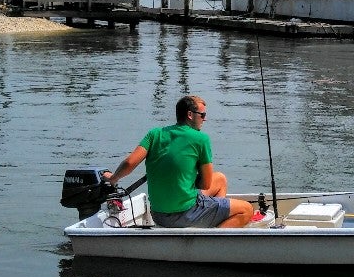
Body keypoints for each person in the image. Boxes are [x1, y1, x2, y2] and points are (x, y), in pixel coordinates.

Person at [102, 95, 254, 228]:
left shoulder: (154, 134)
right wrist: (187, 179)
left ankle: (208, 220)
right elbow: (206, 184)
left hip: (158, 214)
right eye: (202, 115)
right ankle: (210, 239)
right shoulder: (201, 139)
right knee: (246, 210)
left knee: (220, 179)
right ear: (190, 114)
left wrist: (113, 178)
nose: (205, 118)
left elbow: (129, 163)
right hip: (184, 214)